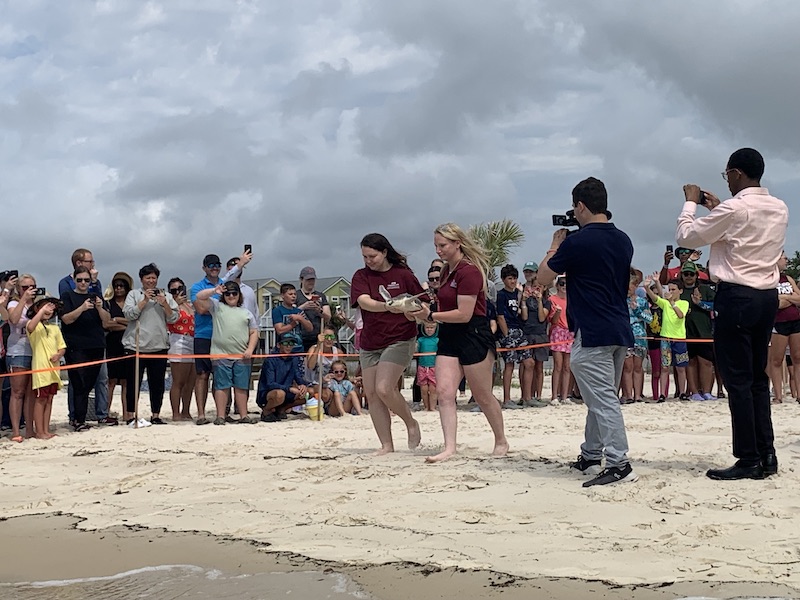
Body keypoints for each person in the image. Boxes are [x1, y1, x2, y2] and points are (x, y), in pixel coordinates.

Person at [677, 147, 787, 480]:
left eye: (727, 176)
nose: (726, 182)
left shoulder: (734, 208)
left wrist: (690, 203)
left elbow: (687, 236)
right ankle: (766, 452)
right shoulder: (779, 207)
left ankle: (748, 457)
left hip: (736, 295)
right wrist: (718, 208)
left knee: (738, 378)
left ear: (737, 173)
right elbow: (739, 230)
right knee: (756, 376)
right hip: (766, 295)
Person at [538, 176, 638, 487]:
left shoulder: (577, 243)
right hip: (619, 326)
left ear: (581, 206)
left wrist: (556, 244)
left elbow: (543, 278)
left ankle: (619, 461)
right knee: (601, 396)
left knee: (602, 400)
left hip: (592, 330)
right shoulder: (624, 239)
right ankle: (592, 453)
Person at [411, 223, 509, 463]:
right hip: (450, 335)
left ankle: (500, 439)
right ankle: (449, 447)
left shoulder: (469, 271)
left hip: (473, 333)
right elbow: (444, 308)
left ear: (457, 243)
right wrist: (418, 310)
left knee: (482, 394)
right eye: (436, 245)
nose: (438, 250)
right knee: (444, 392)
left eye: (442, 245)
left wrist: (431, 316)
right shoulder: (446, 272)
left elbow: (464, 313)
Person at [350, 233, 423, 455]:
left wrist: (412, 312)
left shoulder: (403, 274)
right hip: (371, 340)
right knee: (371, 394)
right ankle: (386, 444)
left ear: (384, 252)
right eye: (364, 256)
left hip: (400, 337)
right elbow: (363, 301)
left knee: (384, 388)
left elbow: (422, 302)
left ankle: (410, 422)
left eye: (372, 256)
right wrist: (387, 306)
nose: (368, 261)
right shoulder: (361, 276)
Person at [190, 250, 251, 425]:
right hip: (204, 335)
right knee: (202, 374)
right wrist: (216, 295)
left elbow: (232, 275)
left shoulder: (225, 284)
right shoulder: (197, 287)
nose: (215, 268)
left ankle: (223, 413)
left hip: (225, 336)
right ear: (204, 268)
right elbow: (201, 308)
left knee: (225, 374)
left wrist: (242, 262)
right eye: (211, 265)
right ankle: (201, 415)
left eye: (217, 265)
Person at [58, 248, 111, 426]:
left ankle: (83, 417)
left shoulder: (95, 295)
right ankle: (77, 419)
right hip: (76, 345)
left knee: (90, 383)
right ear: (74, 280)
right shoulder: (67, 295)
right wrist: (82, 308)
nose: (83, 283)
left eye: (86, 280)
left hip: (95, 343)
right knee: (78, 383)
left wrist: (98, 307)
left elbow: (106, 321)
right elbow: (66, 319)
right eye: (80, 280)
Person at [122, 263, 179, 425]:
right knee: (134, 383)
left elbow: (174, 318)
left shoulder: (166, 296)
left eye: (154, 278)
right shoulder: (133, 294)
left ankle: (155, 414)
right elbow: (129, 314)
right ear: (142, 279)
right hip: (136, 346)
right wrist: (145, 300)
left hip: (159, 345)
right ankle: (131, 414)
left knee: (157, 383)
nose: (151, 281)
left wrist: (164, 303)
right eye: (148, 278)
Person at [195, 281, 259, 425]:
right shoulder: (217, 307)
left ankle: (243, 416)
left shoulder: (246, 312)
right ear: (223, 295)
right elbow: (199, 297)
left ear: (239, 295)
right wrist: (214, 291)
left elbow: (254, 332)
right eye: (228, 293)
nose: (231, 296)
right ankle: (221, 417)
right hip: (220, 354)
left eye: (234, 293)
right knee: (221, 386)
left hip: (242, 355)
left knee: (241, 386)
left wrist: (250, 349)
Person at [25, 298, 66, 439]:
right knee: (40, 399)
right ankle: (40, 431)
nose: (49, 310)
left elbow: (62, 347)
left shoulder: (55, 328)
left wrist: (59, 354)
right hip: (40, 368)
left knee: (49, 399)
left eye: (51, 308)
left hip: (54, 370)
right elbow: (30, 327)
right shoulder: (34, 325)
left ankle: (45, 430)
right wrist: (41, 310)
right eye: (45, 307)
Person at [644, 276, 689, 401]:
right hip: (665, 338)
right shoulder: (665, 303)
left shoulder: (684, 303)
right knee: (664, 367)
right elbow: (655, 298)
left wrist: (672, 303)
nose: (670, 292)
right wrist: (647, 287)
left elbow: (680, 315)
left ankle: (682, 393)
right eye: (669, 289)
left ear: (680, 291)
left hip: (679, 339)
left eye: (673, 289)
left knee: (681, 367)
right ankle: (662, 394)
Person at [255, 332, 315, 422]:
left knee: (309, 392)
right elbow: (270, 384)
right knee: (280, 394)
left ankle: (281, 409)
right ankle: (266, 411)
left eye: (291, 344)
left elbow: (297, 376)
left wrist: (302, 384)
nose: (288, 346)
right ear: (279, 345)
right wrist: (289, 388)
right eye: (286, 343)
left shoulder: (293, 359)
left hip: (285, 391)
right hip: (267, 394)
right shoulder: (270, 360)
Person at [679, 261, 717, 401]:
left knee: (706, 362)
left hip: (704, 332)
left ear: (696, 275)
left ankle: (707, 392)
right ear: (682, 276)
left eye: (691, 274)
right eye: (686, 274)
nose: (689, 276)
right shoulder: (679, 291)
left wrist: (700, 303)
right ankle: (694, 392)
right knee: (690, 363)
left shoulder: (705, 289)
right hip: (685, 333)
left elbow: (717, 305)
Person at [6, 274, 37, 442]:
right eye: (25, 287)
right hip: (18, 350)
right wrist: (23, 299)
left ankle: (30, 430)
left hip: (36, 351)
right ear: (19, 289)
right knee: (17, 392)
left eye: (32, 287)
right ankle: (16, 430)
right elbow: (14, 319)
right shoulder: (13, 303)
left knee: (32, 392)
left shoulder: (39, 305)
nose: (29, 290)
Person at [768, 251, 800, 404]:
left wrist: (786, 298)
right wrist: (790, 298)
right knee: (776, 359)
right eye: (784, 258)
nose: (786, 260)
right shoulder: (769, 280)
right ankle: (778, 395)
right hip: (778, 322)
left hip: (795, 320)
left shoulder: (788, 279)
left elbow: (799, 299)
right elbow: (774, 303)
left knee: (797, 358)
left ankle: (799, 394)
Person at [495, 264, 529, 410]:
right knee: (509, 365)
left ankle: (526, 397)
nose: (513, 281)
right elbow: (500, 316)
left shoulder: (518, 294)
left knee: (529, 362)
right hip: (508, 330)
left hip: (519, 329)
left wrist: (523, 300)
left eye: (514, 278)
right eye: (510, 278)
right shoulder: (501, 295)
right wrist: (506, 334)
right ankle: (507, 399)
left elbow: (523, 314)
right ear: (504, 279)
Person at [166, 277, 196, 421]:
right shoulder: (170, 305)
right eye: (174, 290)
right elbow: (168, 318)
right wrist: (175, 304)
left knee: (190, 381)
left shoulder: (190, 305)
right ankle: (176, 413)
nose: (178, 292)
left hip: (192, 340)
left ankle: (186, 410)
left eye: (180, 289)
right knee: (179, 380)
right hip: (178, 339)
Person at [105, 272, 132, 419]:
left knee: (126, 381)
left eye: (122, 286)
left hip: (128, 345)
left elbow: (135, 322)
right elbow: (107, 324)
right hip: (112, 343)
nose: (119, 288)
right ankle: (105, 412)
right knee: (111, 381)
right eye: (116, 286)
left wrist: (117, 320)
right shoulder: (108, 303)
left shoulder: (130, 303)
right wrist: (126, 324)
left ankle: (127, 414)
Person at [621, 272, 652, 404]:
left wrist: (637, 310)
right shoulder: (619, 301)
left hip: (639, 336)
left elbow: (650, 319)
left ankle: (638, 395)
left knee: (638, 367)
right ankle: (628, 395)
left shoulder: (642, 301)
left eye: (631, 286)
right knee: (627, 367)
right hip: (625, 336)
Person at [548, 276, 573, 404]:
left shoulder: (572, 300)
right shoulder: (552, 300)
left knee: (567, 367)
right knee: (558, 366)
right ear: (557, 286)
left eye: (566, 284)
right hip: (558, 331)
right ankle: (554, 396)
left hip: (570, 333)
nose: (564, 286)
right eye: (562, 283)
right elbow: (553, 321)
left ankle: (565, 396)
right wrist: (557, 311)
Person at [296, 266, 331, 352]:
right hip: (301, 337)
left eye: (313, 279)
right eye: (308, 280)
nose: (311, 282)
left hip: (318, 336)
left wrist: (319, 310)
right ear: (301, 279)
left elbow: (328, 317)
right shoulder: (296, 295)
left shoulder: (321, 296)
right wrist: (304, 307)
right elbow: (290, 313)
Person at [272, 283, 313, 352]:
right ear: (282, 295)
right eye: (290, 294)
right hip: (283, 350)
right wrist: (293, 324)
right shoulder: (277, 310)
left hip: (298, 348)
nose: (293, 296)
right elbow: (279, 330)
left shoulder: (298, 311)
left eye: (295, 294)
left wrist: (300, 318)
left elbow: (310, 328)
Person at [416, 322, 439, 411]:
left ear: (435, 329)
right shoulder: (420, 340)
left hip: (434, 367)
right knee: (424, 389)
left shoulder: (437, 340)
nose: (429, 329)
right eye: (427, 327)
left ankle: (433, 407)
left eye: (431, 328)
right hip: (422, 367)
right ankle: (426, 407)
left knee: (433, 388)